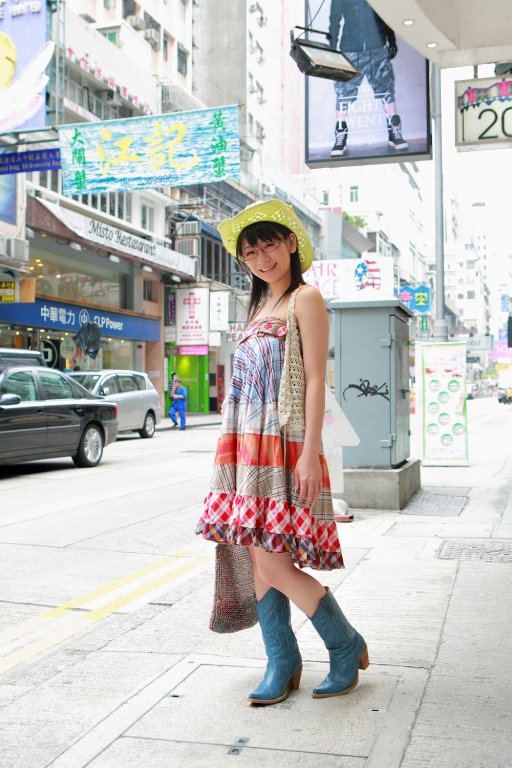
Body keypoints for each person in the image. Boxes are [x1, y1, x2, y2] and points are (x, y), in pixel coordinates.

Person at [196, 199, 368, 705]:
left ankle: (344, 643)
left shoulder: (305, 299)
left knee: (272, 564)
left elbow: (314, 379)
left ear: (291, 243)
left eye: (268, 245)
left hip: (284, 441)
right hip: (245, 443)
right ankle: (281, 660)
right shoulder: (258, 308)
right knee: (257, 554)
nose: (261, 258)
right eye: (250, 253)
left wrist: (310, 451)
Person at [328, 0, 408, 156]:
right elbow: (334, 19)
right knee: (343, 93)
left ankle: (394, 133)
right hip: (351, 47)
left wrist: (391, 40)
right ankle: (340, 137)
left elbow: (385, 14)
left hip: (376, 45)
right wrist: (332, 48)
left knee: (386, 89)